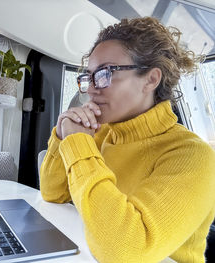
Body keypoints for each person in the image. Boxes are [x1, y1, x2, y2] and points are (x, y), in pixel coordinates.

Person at [40, 17, 215, 263]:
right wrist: (63, 136)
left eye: (105, 73)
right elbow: (52, 193)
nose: (90, 89)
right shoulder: (100, 134)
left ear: (151, 79)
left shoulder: (192, 156)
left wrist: (79, 143)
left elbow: (125, 251)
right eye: (89, 77)